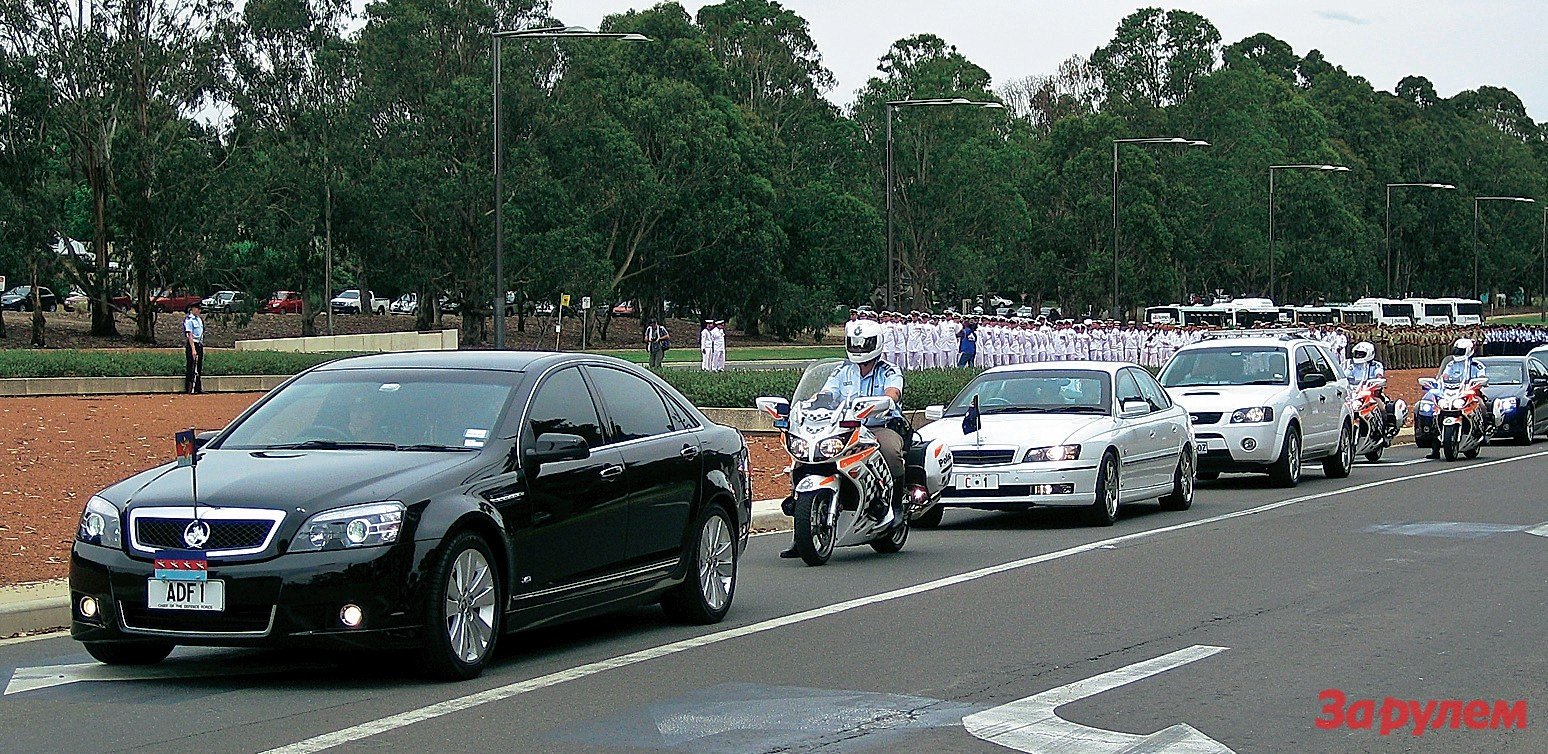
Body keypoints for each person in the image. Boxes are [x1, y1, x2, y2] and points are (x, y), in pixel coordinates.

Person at [781, 319, 905, 559]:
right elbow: (825, 393)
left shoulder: (889, 370)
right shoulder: (842, 371)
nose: (859, 348)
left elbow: (893, 393)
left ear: (876, 343)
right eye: (854, 343)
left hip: (879, 426)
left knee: (889, 451)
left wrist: (886, 401)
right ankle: (801, 533)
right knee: (804, 460)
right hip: (845, 429)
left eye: (864, 343)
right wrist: (809, 404)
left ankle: (895, 507)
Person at [183, 302, 204, 394]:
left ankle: (198, 388)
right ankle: (190, 387)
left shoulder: (199, 319)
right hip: (192, 344)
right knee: (191, 366)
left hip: (199, 344)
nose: (199, 310)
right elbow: (189, 335)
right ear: (193, 309)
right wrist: (193, 349)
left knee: (198, 366)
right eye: (197, 309)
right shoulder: (189, 320)